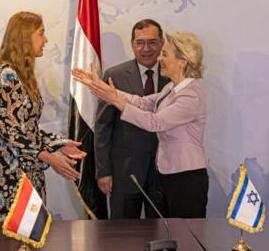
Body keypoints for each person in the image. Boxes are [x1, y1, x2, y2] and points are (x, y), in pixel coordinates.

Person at [72, 31, 208, 218]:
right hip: (168, 176)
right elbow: (142, 102)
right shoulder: (171, 88)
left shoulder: (190, 94)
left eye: (165, 54)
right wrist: (101, 87)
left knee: (188, 238)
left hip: (186, 178)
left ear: (183, 61)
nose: (159, 58)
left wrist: (116, 101)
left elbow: (155, 122)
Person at [0, 11, 86, 222]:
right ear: (25, 36)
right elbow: (10, 132)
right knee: (9, 242)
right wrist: (49, 157)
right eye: (41, 33)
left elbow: (27, 129)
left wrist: (59, 144)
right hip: (9, 178)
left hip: (27, 173)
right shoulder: (5, 74)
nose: (46, 40)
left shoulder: (20, 74)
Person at [94, 19, 170, 219]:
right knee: (122, 238)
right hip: (124, 173)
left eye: (152, 42)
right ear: (132, 44)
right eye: (140, 42)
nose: (146, 49)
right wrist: (103, 171)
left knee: (162, 235)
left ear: (162, 43)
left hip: (164, 173)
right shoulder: (114, 76)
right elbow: (103, 127)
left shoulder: (173, 76)